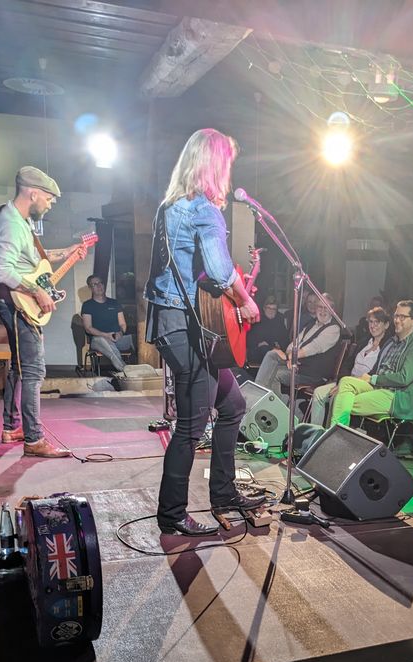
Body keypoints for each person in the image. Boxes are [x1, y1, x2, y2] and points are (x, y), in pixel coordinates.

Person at [144, 128, 261, 536]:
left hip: (171, 322)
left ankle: (224, 495)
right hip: (185, 326)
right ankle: (172, 515)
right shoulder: (204, 210)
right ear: (215, 165)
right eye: (226, 164)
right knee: (192, 425)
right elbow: (218, 270)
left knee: (232, 406)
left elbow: (190, 271)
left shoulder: (169, 206)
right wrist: (244, 300)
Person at [0, 165, 87, 458]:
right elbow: (1, 270)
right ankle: (34, 439)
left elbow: (32, 261)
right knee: (34, 370)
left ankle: (12, 427)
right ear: (33, 194)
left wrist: (67, 252)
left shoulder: (15, 219)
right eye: (48, 198)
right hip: (17, 305)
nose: (50, 204)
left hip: (17, 303)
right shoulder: (10, 222)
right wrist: (37, 291)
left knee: (20, 368)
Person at [329, 299, 413, 426]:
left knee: (343, 402)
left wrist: (373, 379)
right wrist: (367, 379)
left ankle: (335, 434)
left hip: (398, 396)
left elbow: (404, 378)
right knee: (346, 382)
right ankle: (337, 433)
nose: (397, 320)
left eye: (402, 317)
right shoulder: (392, 342)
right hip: (379, 387)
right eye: (396, 316)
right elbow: (377, 368)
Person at [309, 306, 392, 426]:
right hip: (347, 381)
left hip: (365, 386)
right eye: (371, 322)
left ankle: (330, 434)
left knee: (336, 398)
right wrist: (341, 382)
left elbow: (378, 372)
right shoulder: (364, 342)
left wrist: (345, 385)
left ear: (386, 325)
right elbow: (347, 364)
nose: (373, 326)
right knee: (318, 393)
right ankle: (315, 431)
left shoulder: (388, 347)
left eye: (377, 322)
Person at [255, 294, 341, 399]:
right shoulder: (311, 324)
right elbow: (294, 343)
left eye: (326, 307)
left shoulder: (334, 328)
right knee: (271, 354)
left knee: (275, 374)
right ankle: (259, 395)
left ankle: (275, 403)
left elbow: (314, 347)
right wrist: (288, 355)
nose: (322, 311)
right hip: (299, 366)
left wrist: (292, 356)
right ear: (316, 308)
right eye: (320, 307)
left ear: (332, 310)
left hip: (313, 374)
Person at [81, 274, 134, 371]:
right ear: (90, 288)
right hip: (99, 339)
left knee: (135, 338)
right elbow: (88, 328)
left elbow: (122, 324)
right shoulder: (87, 305)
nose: (99, 286)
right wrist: (106, 335)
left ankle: (144, 370)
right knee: (104, 341)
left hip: (117, 338)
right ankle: (125, 370)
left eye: (100, 283)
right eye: (95, 284)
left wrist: (120, 333)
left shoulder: (114, 303)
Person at [246, 295, 289, 366]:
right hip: (258, 352)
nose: (271, 311)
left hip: (275, 353)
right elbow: (249, 338)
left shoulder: (279, 321)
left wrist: (278, 346)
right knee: (263, 349)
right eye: (269, 308)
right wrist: (258, 344)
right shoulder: (257, 320)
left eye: (274, 309)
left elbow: (285, 339)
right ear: (264, 308)